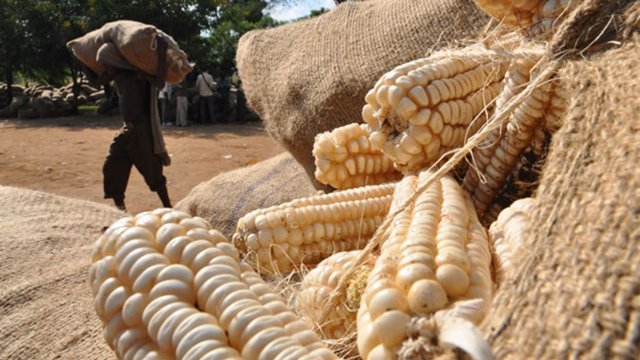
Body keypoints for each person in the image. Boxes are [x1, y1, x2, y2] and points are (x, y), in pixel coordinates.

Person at [83, 36, 172, 212]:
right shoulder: (116, 75)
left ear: (114, 61)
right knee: (112, 167)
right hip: (127, 130)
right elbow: (95, 82)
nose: (105, 68)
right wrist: (84, 60)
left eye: (106, 64)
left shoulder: (135, 74)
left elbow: (159, 82)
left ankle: (168, 207)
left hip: (141, 130)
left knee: (153, 173)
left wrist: (161, 53)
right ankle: (120, 209)